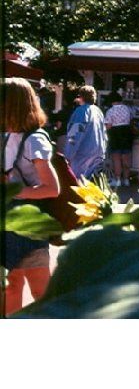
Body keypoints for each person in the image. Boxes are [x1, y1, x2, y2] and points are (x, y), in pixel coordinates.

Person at [1, 77, 60, 316]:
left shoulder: (34, 140)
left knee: (41, 293)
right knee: (11, 287)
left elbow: (52, 188)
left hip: (29, 226)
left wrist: (14, 191)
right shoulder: (5, 136)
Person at [64, 85, 107, 179]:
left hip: (83, 154)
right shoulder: (98, 111)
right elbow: (104, 133)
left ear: (81, 97)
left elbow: (75, 134)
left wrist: (67, 155)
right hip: (97, 153)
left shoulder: (81, 111)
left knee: (78, 185)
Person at [104, 91, 133, 187]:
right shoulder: (127, 109)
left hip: (115, 134)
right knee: (126, 158)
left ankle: (117, 180)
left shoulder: (110, 111)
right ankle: (126, 179)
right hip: (126, 133)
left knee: (116, 158)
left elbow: (108, 126)